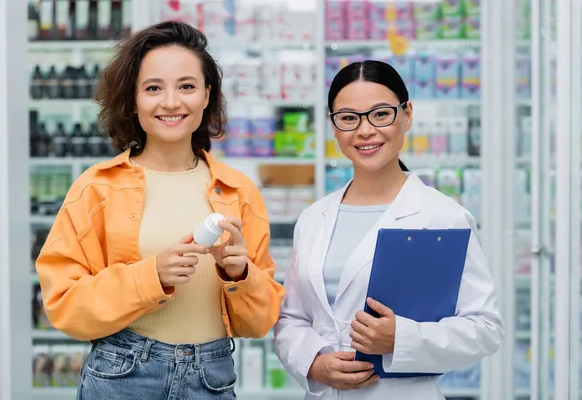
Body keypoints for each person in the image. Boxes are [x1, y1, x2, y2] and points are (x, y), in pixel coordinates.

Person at [35, 21, 285, 399]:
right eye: (153, 88)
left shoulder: (238, 191)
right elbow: (65, 305)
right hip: (123, 377)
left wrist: (239, 273)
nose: (171, 102)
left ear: (206, 95)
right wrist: (151, 276)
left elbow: (260, 321)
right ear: (133, 101)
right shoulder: (96, 188)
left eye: (186, 86)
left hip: (212, 380)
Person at [273, 60, 504, 399]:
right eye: (349, 118)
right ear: (334, 126)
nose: (365, 131)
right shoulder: (313, 218)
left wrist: (401, 338)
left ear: (407, 114)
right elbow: (292, 318)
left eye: (380, 114)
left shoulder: (442, 216)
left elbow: (485, 327)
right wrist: (315, 364)